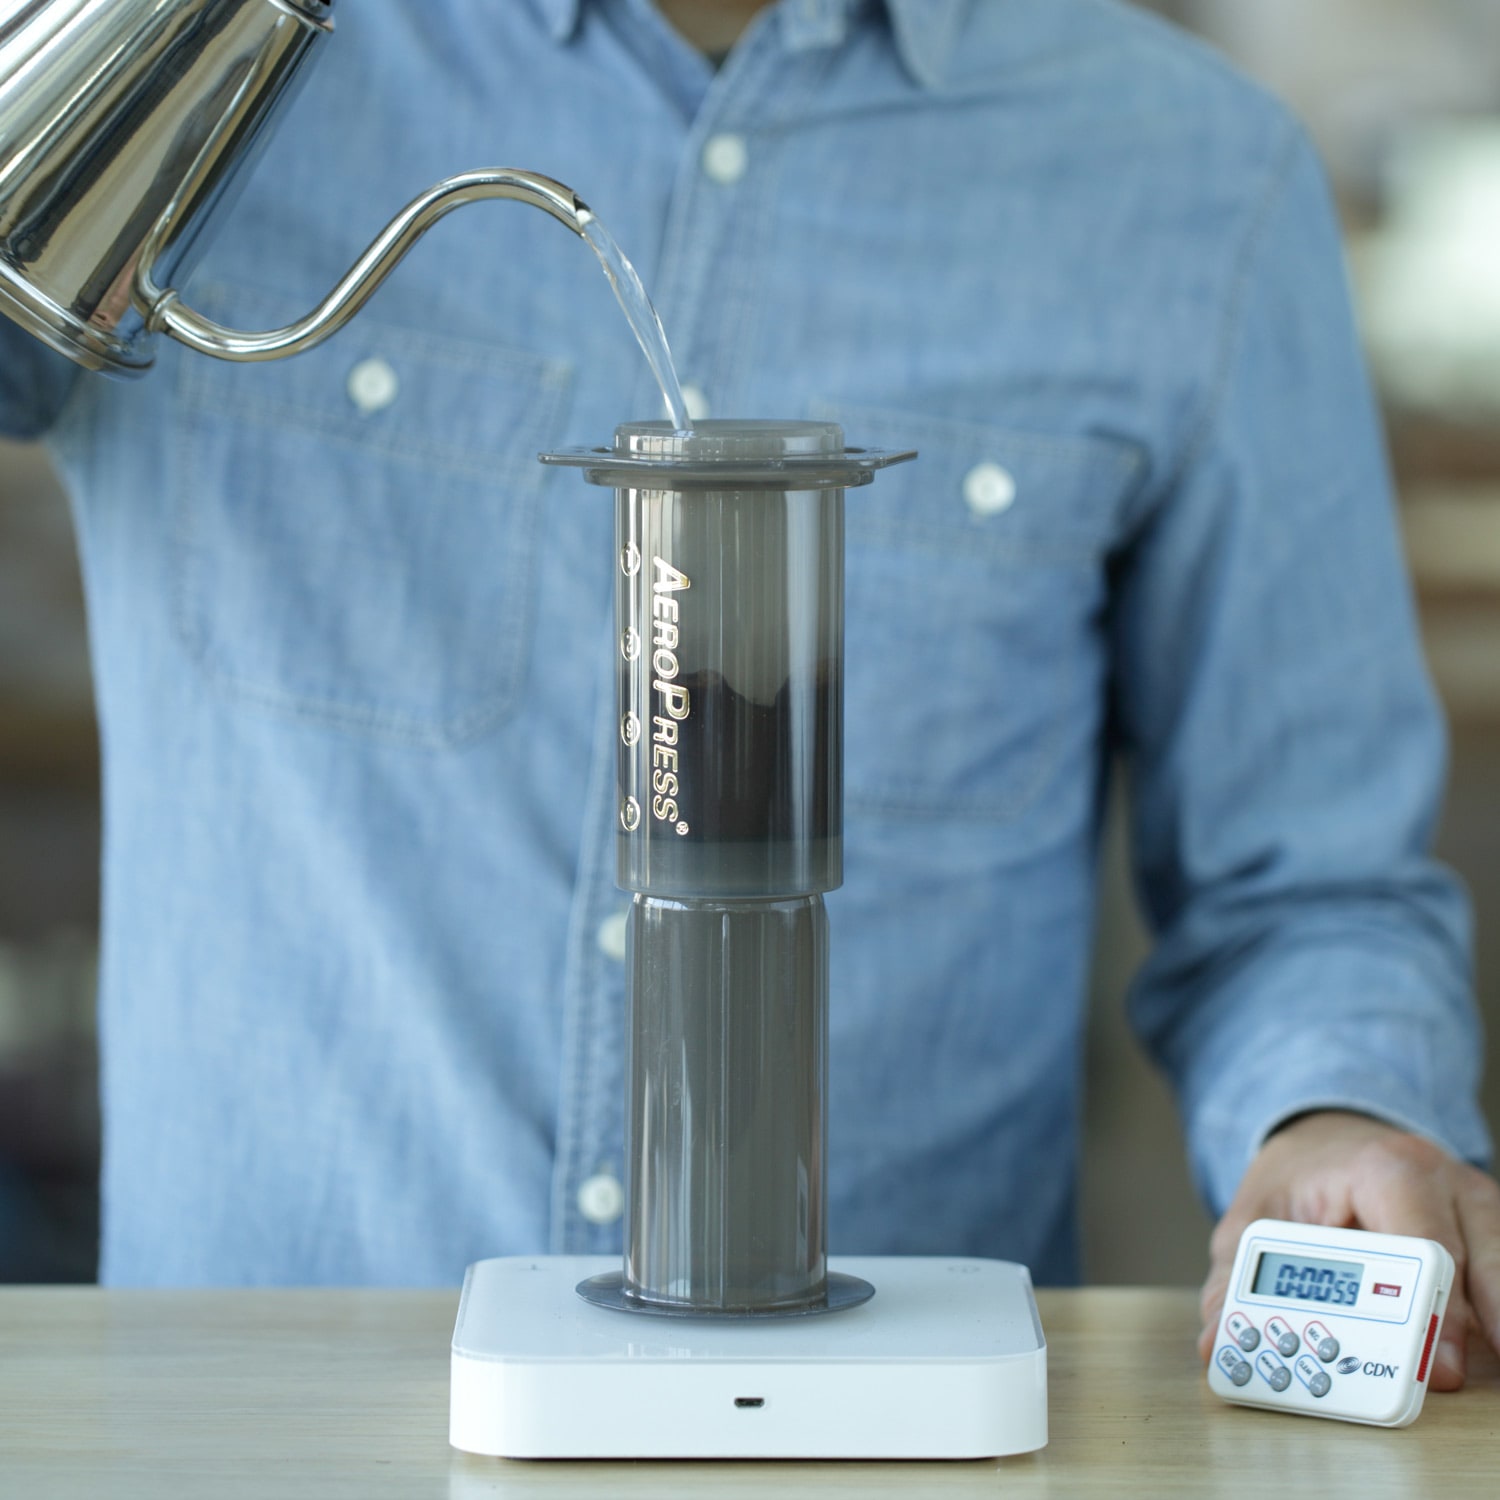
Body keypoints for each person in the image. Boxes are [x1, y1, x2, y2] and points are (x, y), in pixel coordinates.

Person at [2, 0, 1497, 1387]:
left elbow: (1304, 888)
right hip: (249, 1429)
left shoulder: (1195, 177)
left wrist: (1340, 1111)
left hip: (888, 1435)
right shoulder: (207, 64)